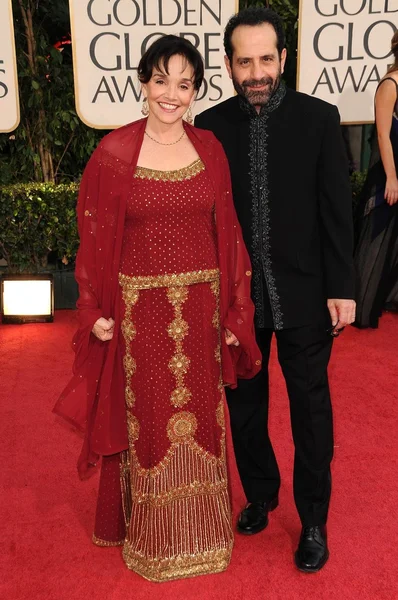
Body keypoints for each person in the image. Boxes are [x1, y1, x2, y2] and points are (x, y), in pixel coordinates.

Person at [54, 35, 262, 582]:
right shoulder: (114, 152)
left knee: (205, 424)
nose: (172, 94)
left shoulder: (210, 148)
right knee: (148, 422)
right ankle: (153, 539)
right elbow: (94, 237)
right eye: (161, 80)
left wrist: (238, 313)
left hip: (202, 314)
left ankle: (203, 533)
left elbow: (230, 234)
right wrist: (93, 307)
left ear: (196, 91)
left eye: (185, 84)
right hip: (138, 317)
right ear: (144, 82)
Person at [195, 7, 356, 573]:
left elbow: (338, 211)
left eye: (267, 59)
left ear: (284, 59)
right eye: (245, 61)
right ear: (229, 64)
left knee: (312, 410)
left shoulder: (318, 118)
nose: (257, 71)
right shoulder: (210, 128)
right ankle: (261, 493)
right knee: (245, 406)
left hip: (308, 294)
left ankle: (313, 518)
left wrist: (344, 286)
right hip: (238, 299)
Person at [354, 32, 398, 328]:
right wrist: (392, 177)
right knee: (378, 237)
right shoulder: (390, 84)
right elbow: (383, 134)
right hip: (389, 174)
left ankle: (388, 297)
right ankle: (360, 306)